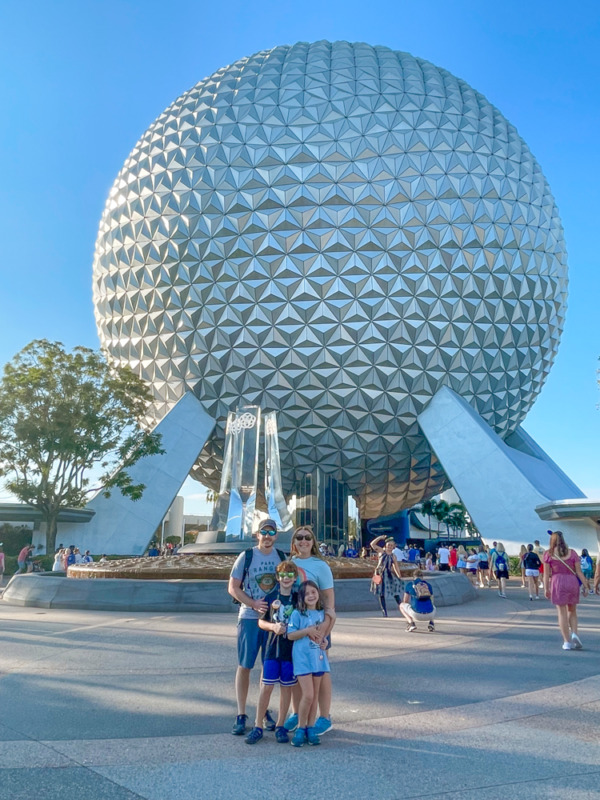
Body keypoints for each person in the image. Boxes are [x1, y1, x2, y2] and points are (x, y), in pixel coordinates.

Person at [228, 518, 285, 735]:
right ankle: (241, 714)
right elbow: (232, 587)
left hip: (272, 621)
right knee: (245, 665)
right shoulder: (247, 556)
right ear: (257, 534)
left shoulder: (281, 557)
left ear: (276, 535)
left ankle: (262, 712)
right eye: (264, 532)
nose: (268, 536)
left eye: (272, 532)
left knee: (267, 667)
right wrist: (252, 603)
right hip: (249, 618)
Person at [286, 525, 335, 737]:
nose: (303, 541)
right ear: (294, 542)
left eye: (307, 538)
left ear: (313, 542)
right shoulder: (290, 564)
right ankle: (299, 713)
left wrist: (323, 631)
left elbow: (329, 603)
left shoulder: (320, 566)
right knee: (301, 671)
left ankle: (324, 717)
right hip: (298, 627)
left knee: (321, 672)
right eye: (299, 537)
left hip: (319, 626)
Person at [245, 561, 299, 745]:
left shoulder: (298, 599)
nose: (286, 578)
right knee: (266, 687)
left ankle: (281, 725)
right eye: (283, 575)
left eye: (290, 575)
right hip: (272, 648)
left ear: (295, 578)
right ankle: (257, 725)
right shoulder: (270, 597)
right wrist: (273, 626)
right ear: (277, 577)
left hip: (291, 650)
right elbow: (261, 622)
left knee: (286, 688)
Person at [287, 581, 330, 747]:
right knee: (308, 695)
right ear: (302, 598)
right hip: (303, 659)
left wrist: (324, 642)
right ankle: (301, 727)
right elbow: (291, 635)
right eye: (307, 594)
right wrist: (307, 631)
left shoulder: (320, 614)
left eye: (314, 592)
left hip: (318, 658)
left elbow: (321, 635)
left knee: (315, 694)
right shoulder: (298, 614)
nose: (311, 596)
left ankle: (310, 727)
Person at [543, 531, 589, 650]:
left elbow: (546, 574)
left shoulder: (548, 554)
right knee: (572, 611)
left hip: (557, 582)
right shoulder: (572, 553)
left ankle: (566, 642)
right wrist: (585, 585)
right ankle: (574, 633)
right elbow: (579, 571)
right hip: (572, 582)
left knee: (561, 612)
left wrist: (546, 588)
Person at [369, 535, 403, 617]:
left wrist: (399, 576)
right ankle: (384, 611)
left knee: (395, 591)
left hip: (388, 574)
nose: (390, 547)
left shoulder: (393, 556)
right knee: (381, 593)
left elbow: (396, 566)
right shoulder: (381, 552)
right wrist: (380, 538)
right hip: (379, 573)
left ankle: (402, 607)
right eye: (389, 545)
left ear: (394, 546)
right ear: (386, 545)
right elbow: (372, 544)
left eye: (392, 545)